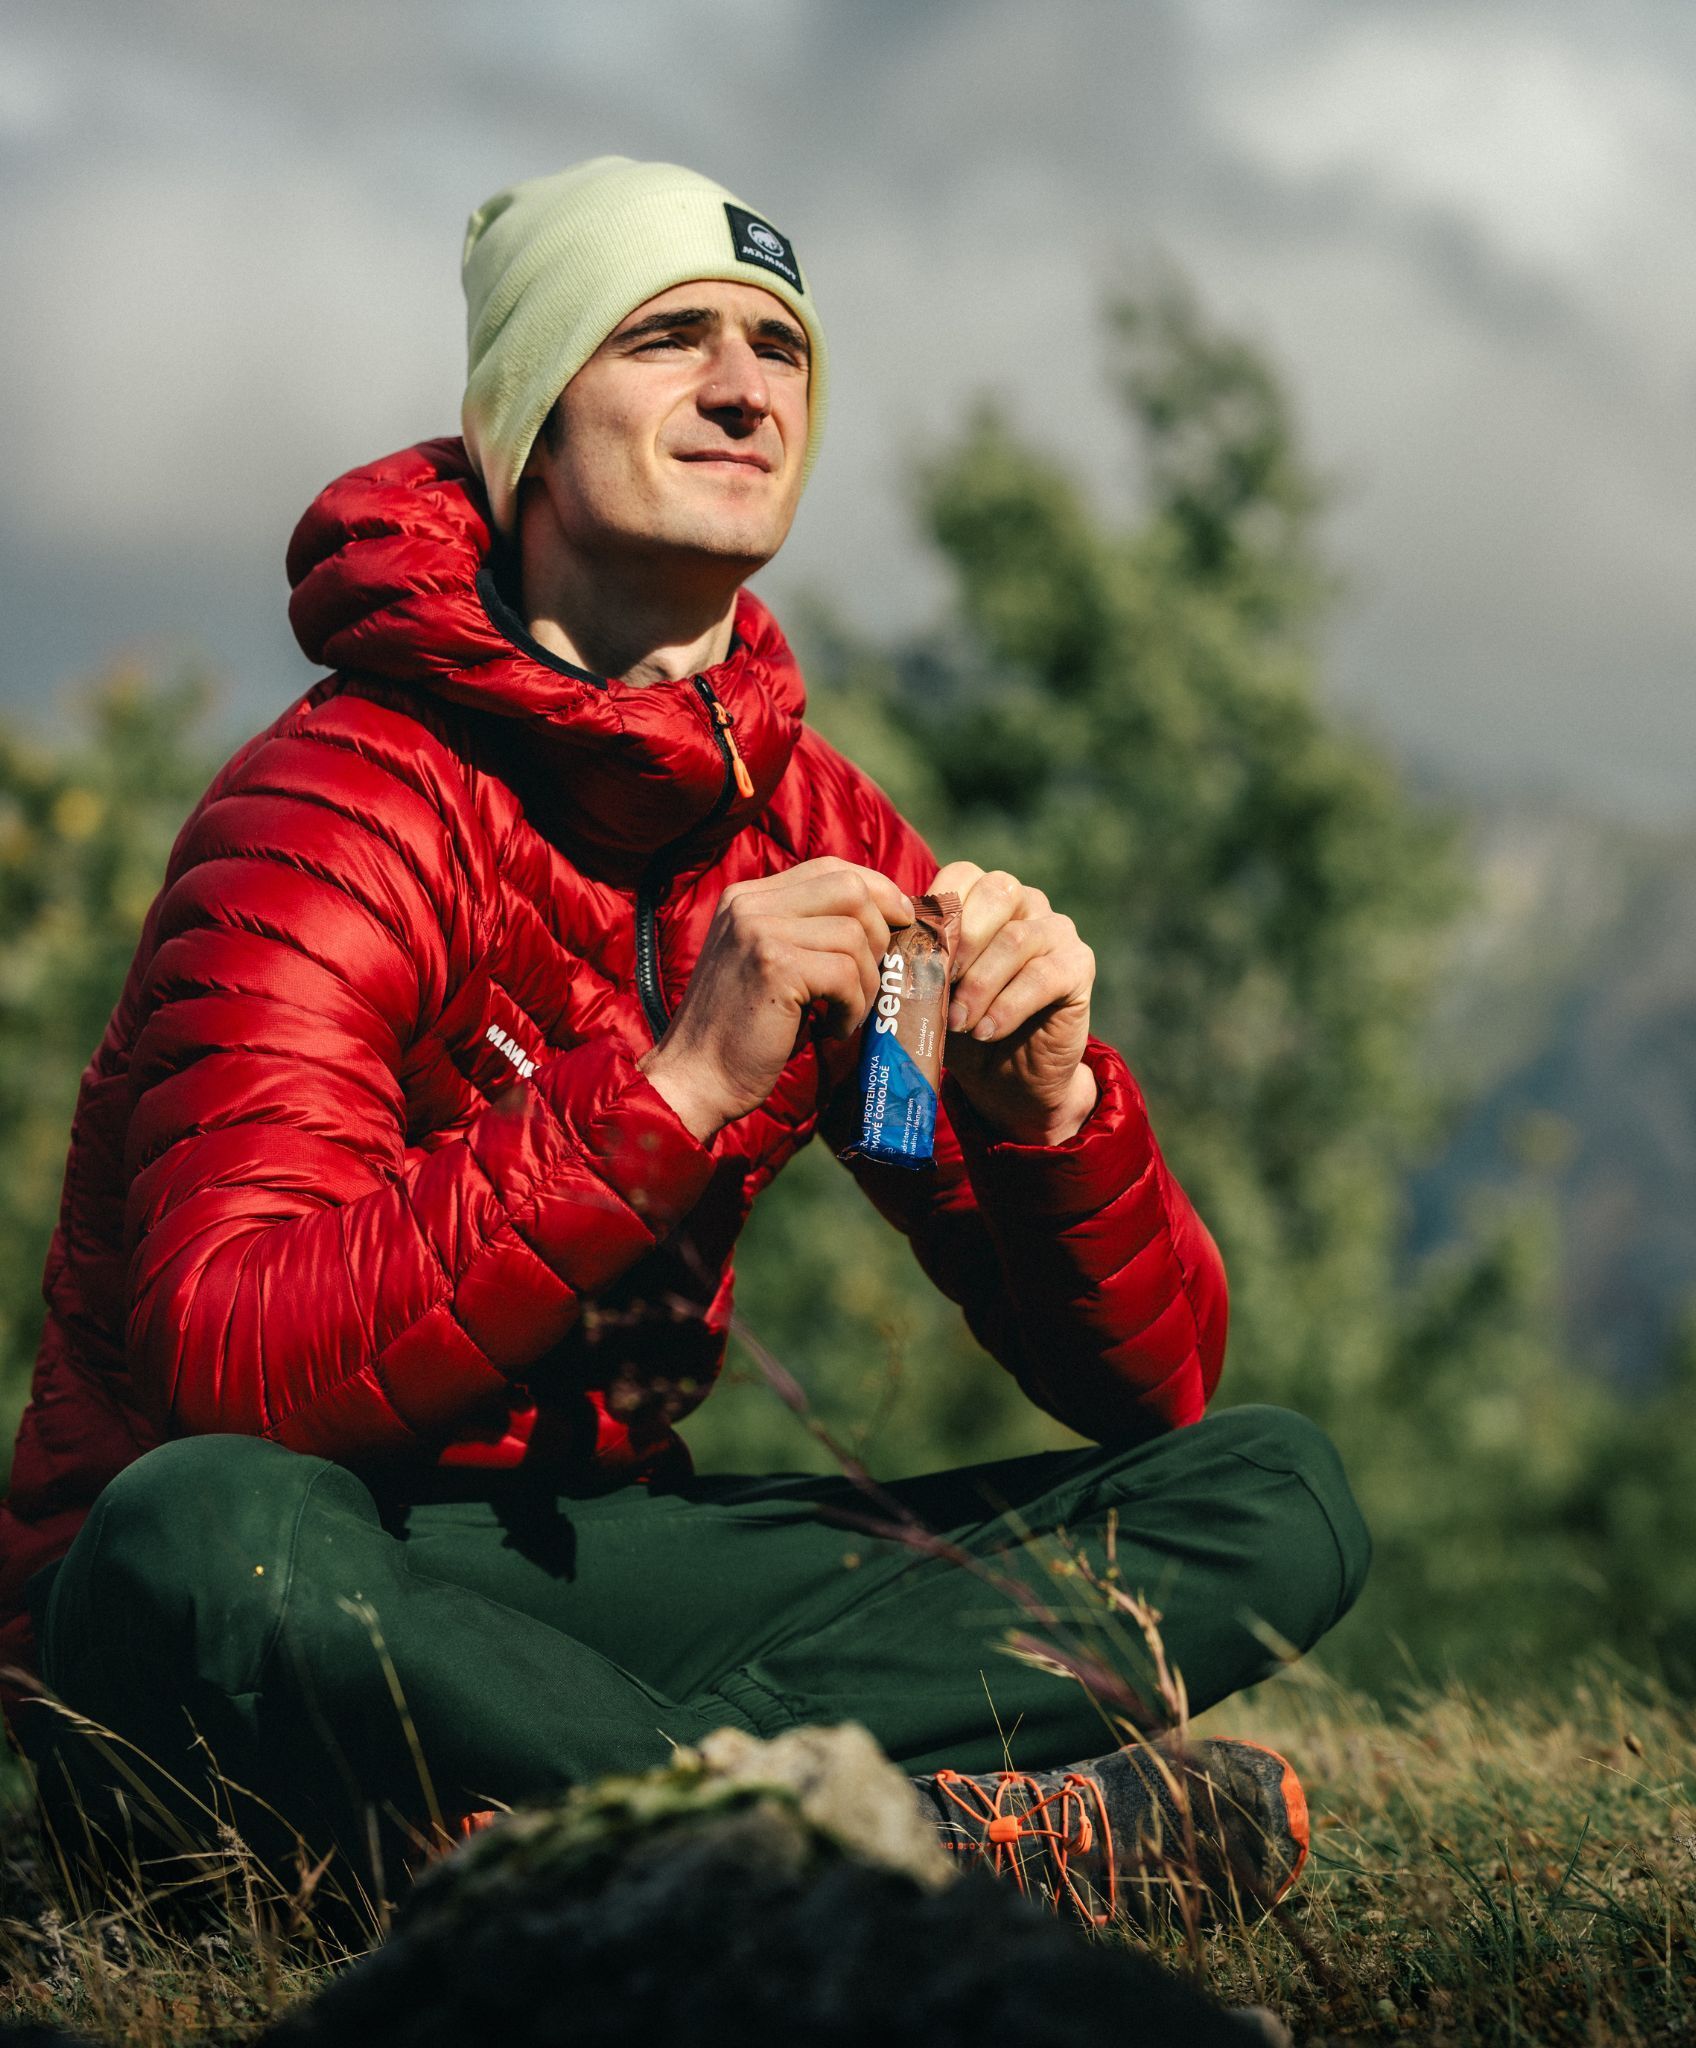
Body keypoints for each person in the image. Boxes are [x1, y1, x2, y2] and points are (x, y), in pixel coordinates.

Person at [0, 157, 1368, 1915]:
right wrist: (677, 1087)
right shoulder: (328, 813)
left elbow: (1142, 1392)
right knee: (200, 1531)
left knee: (1273, 1493)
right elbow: (232, 1363)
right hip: (250, 1622)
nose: (744, 387)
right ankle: (839, 1831)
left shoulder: (819, 826)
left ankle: (601, 1823)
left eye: (780, 349)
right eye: (667, 339)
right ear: (527, 427)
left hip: (585, 1581)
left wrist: (1053, 1120)